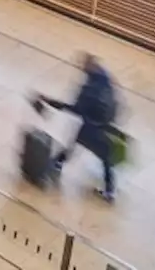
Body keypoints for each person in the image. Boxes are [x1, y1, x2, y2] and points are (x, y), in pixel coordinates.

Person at [39, 54, 122, 202]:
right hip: (104, 123)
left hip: (92, 126)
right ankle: (59, 162)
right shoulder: (104, 79)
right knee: (96, 152)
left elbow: (75, 109)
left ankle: (58, 163)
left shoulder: (89, 89)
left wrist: (51, 103)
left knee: (93, 150)